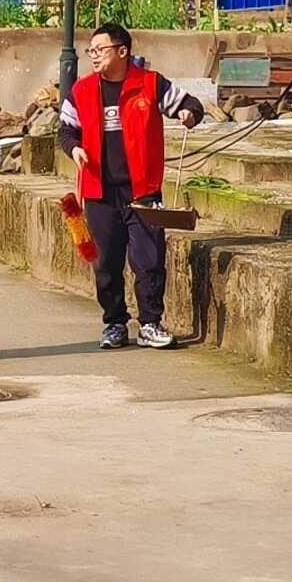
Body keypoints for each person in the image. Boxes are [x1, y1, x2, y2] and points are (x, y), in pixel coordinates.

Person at [65, 23, 204, 351]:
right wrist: (75, 149)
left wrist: (188, 114)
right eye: (90, 51)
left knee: (149, 261)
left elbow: (190, 104)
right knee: (106, 264)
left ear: (122, 51)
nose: (94, 56)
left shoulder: (151, 84)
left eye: (100, 50)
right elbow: (66, 130)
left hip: (143, 190)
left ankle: (150, 324)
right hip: (99, 192)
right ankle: (114, 323)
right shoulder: (82, 90)